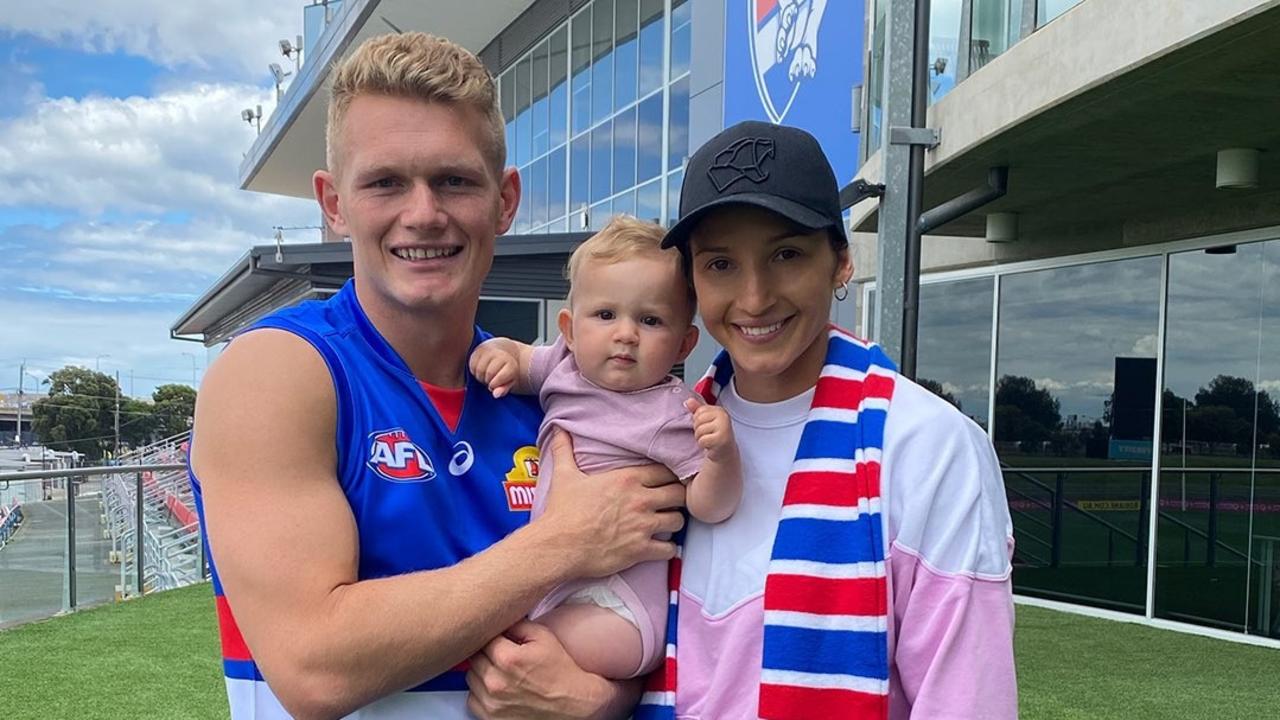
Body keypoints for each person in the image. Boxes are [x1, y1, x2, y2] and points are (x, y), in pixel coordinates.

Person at [189, 32, 685, 719]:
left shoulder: (550, 397)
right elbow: (313, 665)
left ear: (505, 200)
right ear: (333, 204)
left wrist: (596, 700)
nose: (423, 213)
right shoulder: (278, 371)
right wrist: (562, 543)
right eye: (386, 181)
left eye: (453, 180)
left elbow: (644, 620)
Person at [632, 120, 1019, 719]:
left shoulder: (930, 445)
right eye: (720, 265)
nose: (755, 298)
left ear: (841, 261)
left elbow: (967, 701)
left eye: (786, 254)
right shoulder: (660, 438)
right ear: (691, 283)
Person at [469, 216, 743, 681]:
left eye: (651, 320)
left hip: (616, 608)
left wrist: (722, 456)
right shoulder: (563, 364)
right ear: (570, 329)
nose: (626, 334)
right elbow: (521, 360)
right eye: (605, 314)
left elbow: (712, 504)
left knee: (498, 644)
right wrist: (496, 354)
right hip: (560, 582)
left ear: (684, 342)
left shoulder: (673, 412)